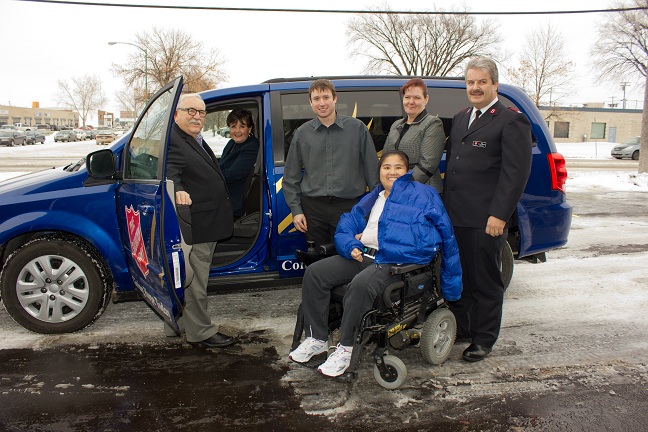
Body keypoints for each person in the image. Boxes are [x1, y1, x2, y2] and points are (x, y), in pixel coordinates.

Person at [288, 151, 462, 377]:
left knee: (360, 284)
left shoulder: (424, 195)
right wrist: (350, 244)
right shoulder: (374, 196)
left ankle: (347, 347)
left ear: (407, 171)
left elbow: (446, 237)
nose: (392, 172)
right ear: (379, 172)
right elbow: (346, 225)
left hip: (397, 261)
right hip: (365, 256)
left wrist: (450, 284)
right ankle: (317, 338)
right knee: (315, 273)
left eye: (398, 167)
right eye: (386, 167)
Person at [443, 57, 532, 362]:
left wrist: (499, 214)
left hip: (485, 218)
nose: (476, 87)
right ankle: (465, 328)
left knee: (486, 280)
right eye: (471, 82)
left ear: (495, 84)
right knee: (462, 276)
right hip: (456, 215)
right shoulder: (460, 117)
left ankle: (484, 338)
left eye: (482, 82)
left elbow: (515, 173)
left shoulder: (510, 120)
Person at [165, 93, 236, 348]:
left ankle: (181, 322)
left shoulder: (192, 138)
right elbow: (171, 171)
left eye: (201, 112)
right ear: (176, 114)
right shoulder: (174, 141)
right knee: (195, 282)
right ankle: (201, 332)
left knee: (189, 277)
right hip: (195, 224)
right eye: (190, 111)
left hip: (207, 220)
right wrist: (178, 190)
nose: (197, 116)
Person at [283, 79, 380, 248]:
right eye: (317, 99)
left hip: (348, 207)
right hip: (313, 210)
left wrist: (376, 211)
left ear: (335, 99)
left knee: (348, 258)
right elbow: (291, 177)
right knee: (317, 261)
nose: (322, 103)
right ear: (310, 102)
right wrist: (296, 211)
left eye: (326, 97)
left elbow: (373, 173)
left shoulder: (357, 129)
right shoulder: (302, 133)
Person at [383, 78, 446, 193]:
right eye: (407, 97)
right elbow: (385, 157)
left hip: (421, 191)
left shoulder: (432, 123)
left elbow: (428, 164)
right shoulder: (396, 125)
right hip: (397, 189)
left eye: (417, 97)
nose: (411, 102)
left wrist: (403, 187)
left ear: (426, 99)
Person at [219, 109, 259, 219]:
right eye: (233, 126)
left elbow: (230, 175)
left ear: (249, 129)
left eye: (242, 126)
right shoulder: (232, 143)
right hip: (223, 194)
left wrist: (210, 173)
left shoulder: (251, 147)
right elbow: (222, 165)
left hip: (234, 202)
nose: (237, 131)